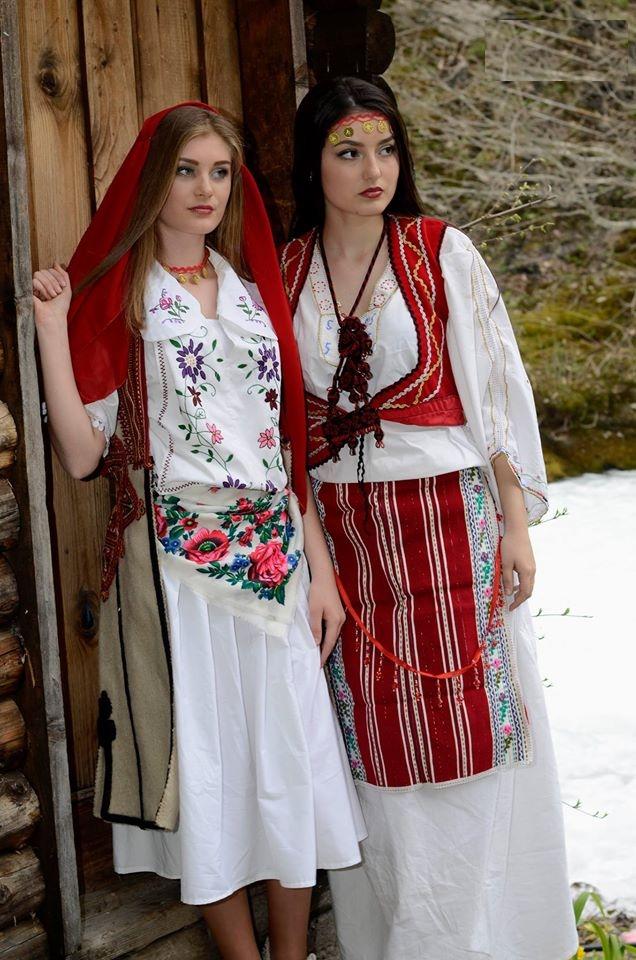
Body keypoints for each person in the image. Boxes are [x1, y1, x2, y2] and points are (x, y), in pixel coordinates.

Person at [32, 101, 365, 960]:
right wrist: (51, 331)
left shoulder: (250, 292)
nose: (205, 189)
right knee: (208, 774)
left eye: (219, 172)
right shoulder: (125, 297)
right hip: (182, 574)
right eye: (186, 170)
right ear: (154, 179)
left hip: (278, 566)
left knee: (290, 765)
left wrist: (321, 572)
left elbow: (282, 445)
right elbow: (81, 455)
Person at [280, 76, 579, 960]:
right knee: (378, 751)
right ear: (312, 164)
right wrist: (313, 559)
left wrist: (515, 524)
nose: (372, 169)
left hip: (450, 522)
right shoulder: (286, 272)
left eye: (385, 149)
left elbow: (495, 392)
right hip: (345, 539)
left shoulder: (441, 252)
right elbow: (283, 427)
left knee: (472, 735)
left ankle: (489, 941)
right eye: (347, 152)